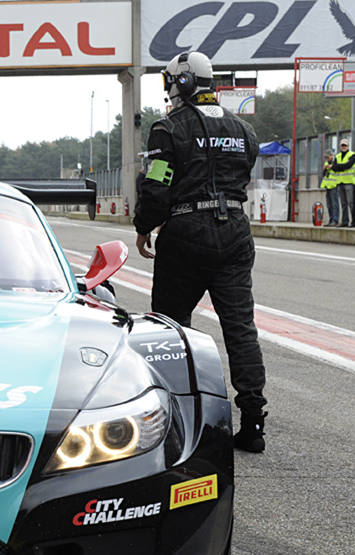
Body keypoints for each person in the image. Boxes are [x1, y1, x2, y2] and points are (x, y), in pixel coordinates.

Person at [134, 51, 268, 453]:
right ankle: (254, 422)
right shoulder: (244, 130)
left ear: (184, 82)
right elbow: (240, 176)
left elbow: (156, 186)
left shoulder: (167, 128)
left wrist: (144, 227)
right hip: (236, 232)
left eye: (171, 83)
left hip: (187, 231)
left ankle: (174, 423)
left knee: (169, 331)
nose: (170, 91)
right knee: (241, 329)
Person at [331, 138, 355, 227]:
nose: (344, 147)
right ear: (340, 146)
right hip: (340, 182)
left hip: (349, 182)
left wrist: (339, 167)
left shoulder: (352, 155)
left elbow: (349, 165)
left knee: (351, 203)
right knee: (343, 204)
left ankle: (354, 221)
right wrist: (342, 166)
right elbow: (334, 167)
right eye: (342, 145)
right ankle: (345, 221)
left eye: (345, 145)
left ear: (348, 146)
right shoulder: (337, 156)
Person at [321, 152, 340, 226]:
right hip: (328, 185)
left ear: (332, 155)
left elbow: (337, 170)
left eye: (328, 157)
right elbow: (324, 174)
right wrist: (324, 169)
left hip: (334, 185)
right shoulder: (326, 162)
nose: (327, 159)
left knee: (335, 204)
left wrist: (331, 167)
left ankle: (335, 220)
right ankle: (331, 219)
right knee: (329, 205)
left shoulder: (336, 161)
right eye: (326, 157)